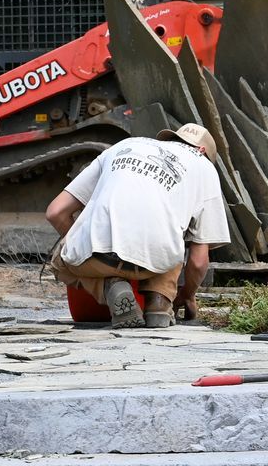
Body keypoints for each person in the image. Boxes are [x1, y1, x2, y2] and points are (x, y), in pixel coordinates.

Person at [44, 123, 230, 328]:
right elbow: (198, 261)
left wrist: (83, 247)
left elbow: (56, 212)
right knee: (175, 237)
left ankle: (110, 286)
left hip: (99, 256)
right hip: (157, 259)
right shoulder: (203, 167)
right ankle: (159, 304)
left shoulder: (123, 146)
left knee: (60, 258)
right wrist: (187, 295)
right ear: (201, 151)